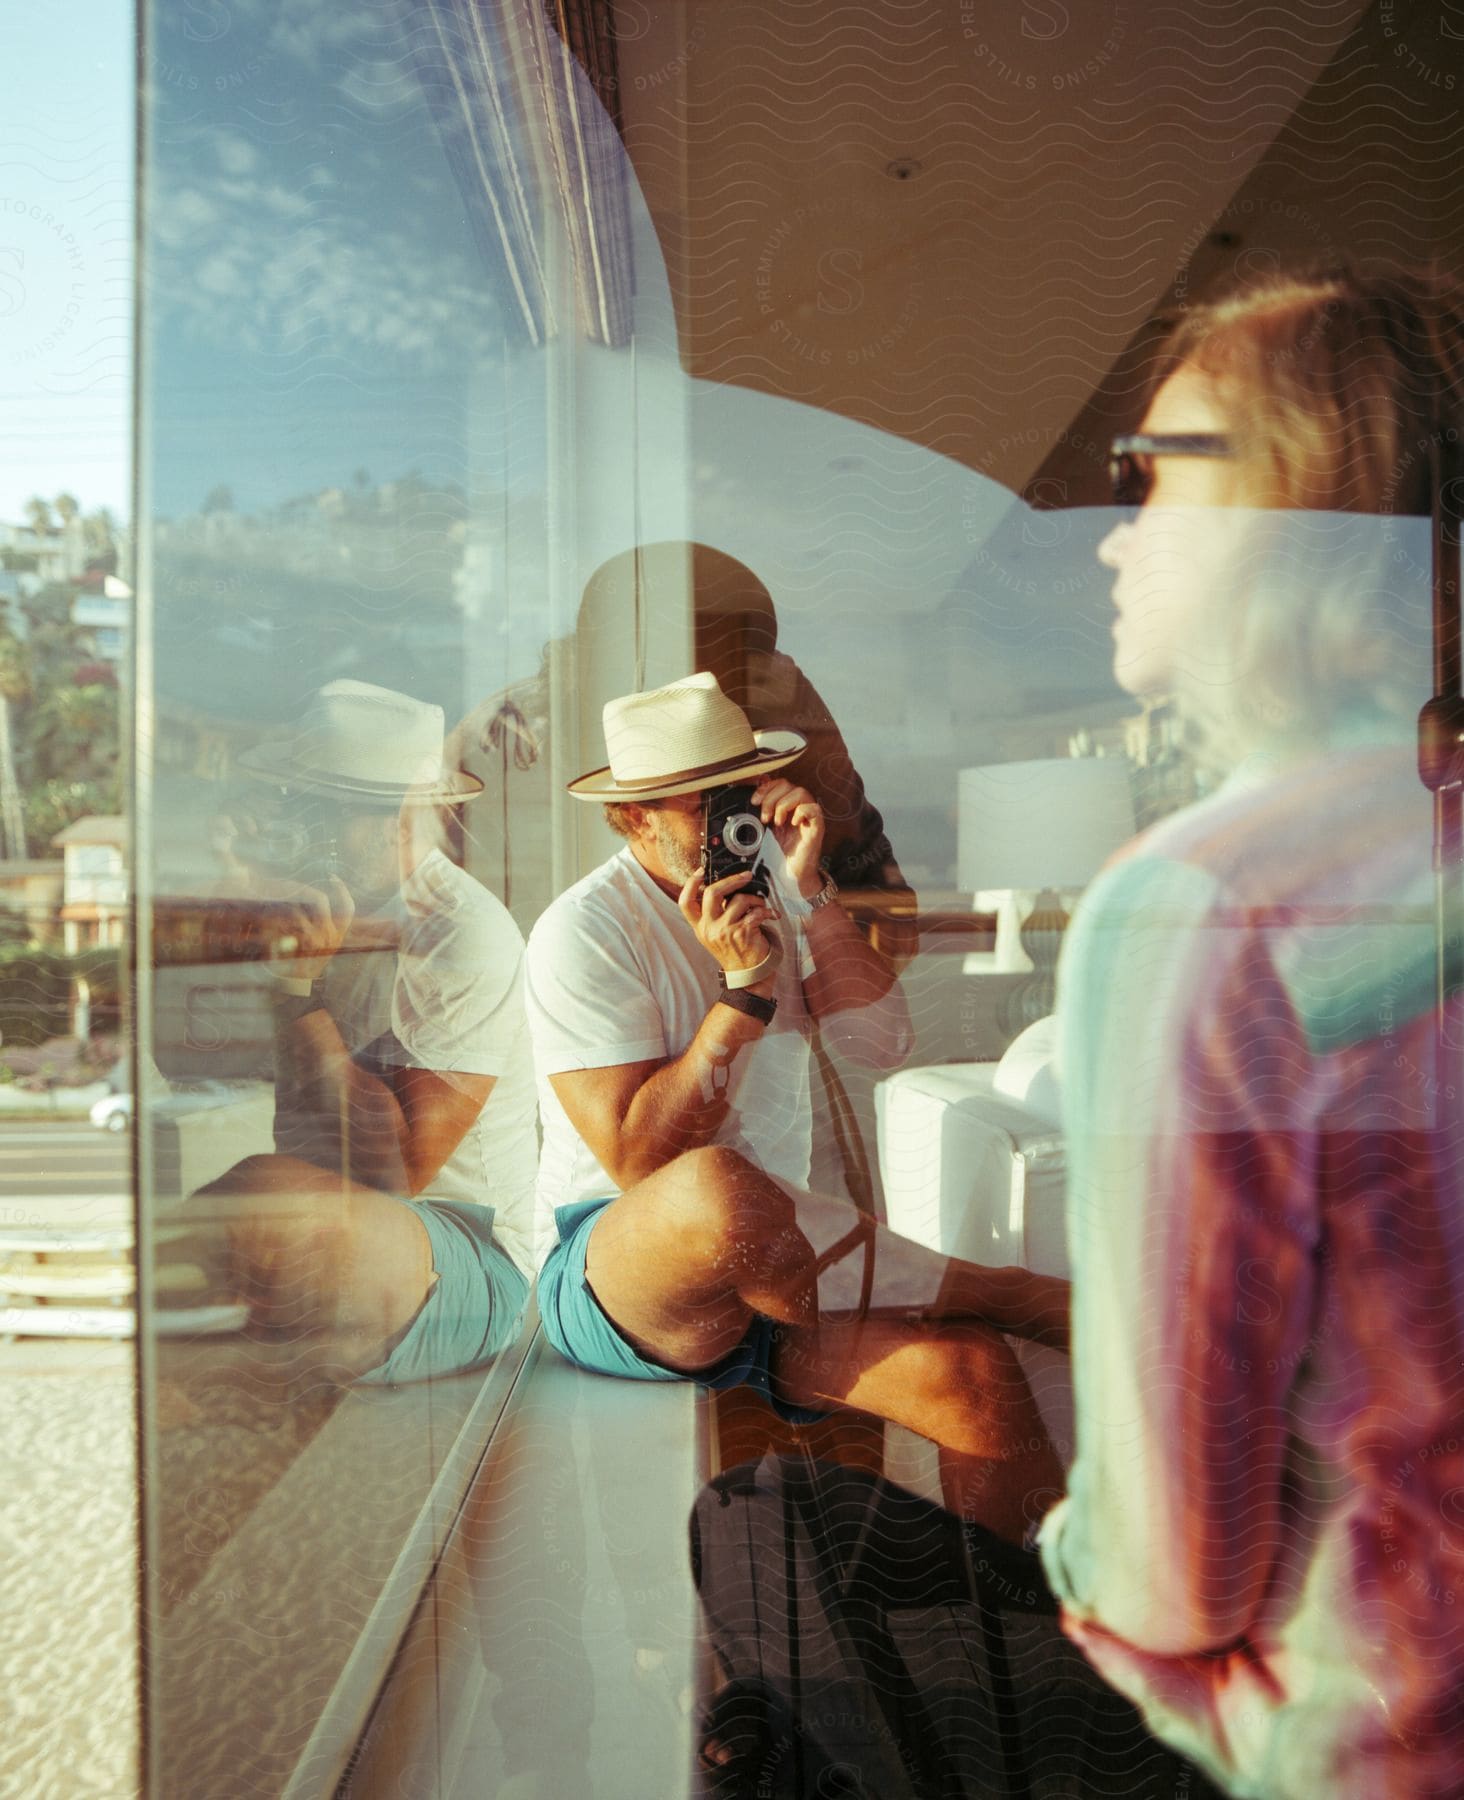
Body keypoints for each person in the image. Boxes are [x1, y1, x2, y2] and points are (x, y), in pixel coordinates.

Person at [1036, 270, 1464, 1797]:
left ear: (1307, 505)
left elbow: (1170, 1583)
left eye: (1146, 476)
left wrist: (1072, 1556)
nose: (1111, 529)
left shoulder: (1200, 907)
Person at [524, 670, 1071, 1543]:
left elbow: (879, 1046)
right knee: (718, 1190)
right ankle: (1011, 1292)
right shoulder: (583, 931)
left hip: (784, 1278)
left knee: (975, 1376)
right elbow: (636, 1160)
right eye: (699, 807)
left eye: (736, 796)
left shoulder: (777, 889)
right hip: (631, 1270)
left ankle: (1028, 1645)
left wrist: (812, 891)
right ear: (633, 818)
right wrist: (741, 994)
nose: (728, 825)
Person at [195, 679, 538, 1384]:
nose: (307, 830)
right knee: (198, 1234)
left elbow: (400, 1171)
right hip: (348, 1218)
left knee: (256, 1201)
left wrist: (296, 996)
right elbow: (198, 1064)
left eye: (330, 812)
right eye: (300, 805)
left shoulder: (459, 930)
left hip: (464, 1250)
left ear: (398, 820)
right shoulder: (324, 910)